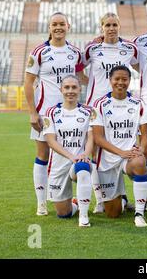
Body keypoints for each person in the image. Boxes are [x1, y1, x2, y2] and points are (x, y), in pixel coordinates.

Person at [24, 12, 85, 216]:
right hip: (45, 114)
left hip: (72, 113)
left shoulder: (75, 52)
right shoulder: (39, 52)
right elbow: (28, 83)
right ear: (49, 27)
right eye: (54, 24)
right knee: (43, 155)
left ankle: (78, 199)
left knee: (76, 153)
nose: (58, 27)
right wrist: (33, 113)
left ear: (69, 26)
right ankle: (42, 203)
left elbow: (80, 78)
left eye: (62, 24)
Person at [82, 12, 140, 214]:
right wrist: (91, 86)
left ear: (119, 26)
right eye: (107, 25)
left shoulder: (129, 48)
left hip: (121, 106)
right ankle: (101, 199)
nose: (111, 28)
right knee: (100, 153)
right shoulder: (92, 48)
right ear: (102, 27)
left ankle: (123, 197)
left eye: (115, 24)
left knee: (123, 147)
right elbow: (78, 68)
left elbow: (141, 67)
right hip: (96, 107)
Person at [90, 66, 147, 227]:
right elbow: (98, 137)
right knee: (113, 214)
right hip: (108, 160)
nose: (120, 82)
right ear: (110, 80)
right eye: (117, 79)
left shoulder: (138, 103)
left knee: (139, 162)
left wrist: (141, 151)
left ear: (130, 81)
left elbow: (145, 135)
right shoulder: (100, 104)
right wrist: (121, 152)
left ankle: (139, 212)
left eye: (124, 79)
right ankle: (122, 198)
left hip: (129, 157)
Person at [42, 75, 93, 227]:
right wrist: (71, 156)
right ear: (61, 90)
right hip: (59, 165)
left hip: (79, 163)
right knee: (63, 214)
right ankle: (76, 204)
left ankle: (83, 217)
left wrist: (85, 154)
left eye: (74, 87)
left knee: (82, 168)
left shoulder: (88, 112)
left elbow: (91, 137)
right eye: (67, 87)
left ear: (80, 89)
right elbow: (50, 140)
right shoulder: (51, 112)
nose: (70, 91)